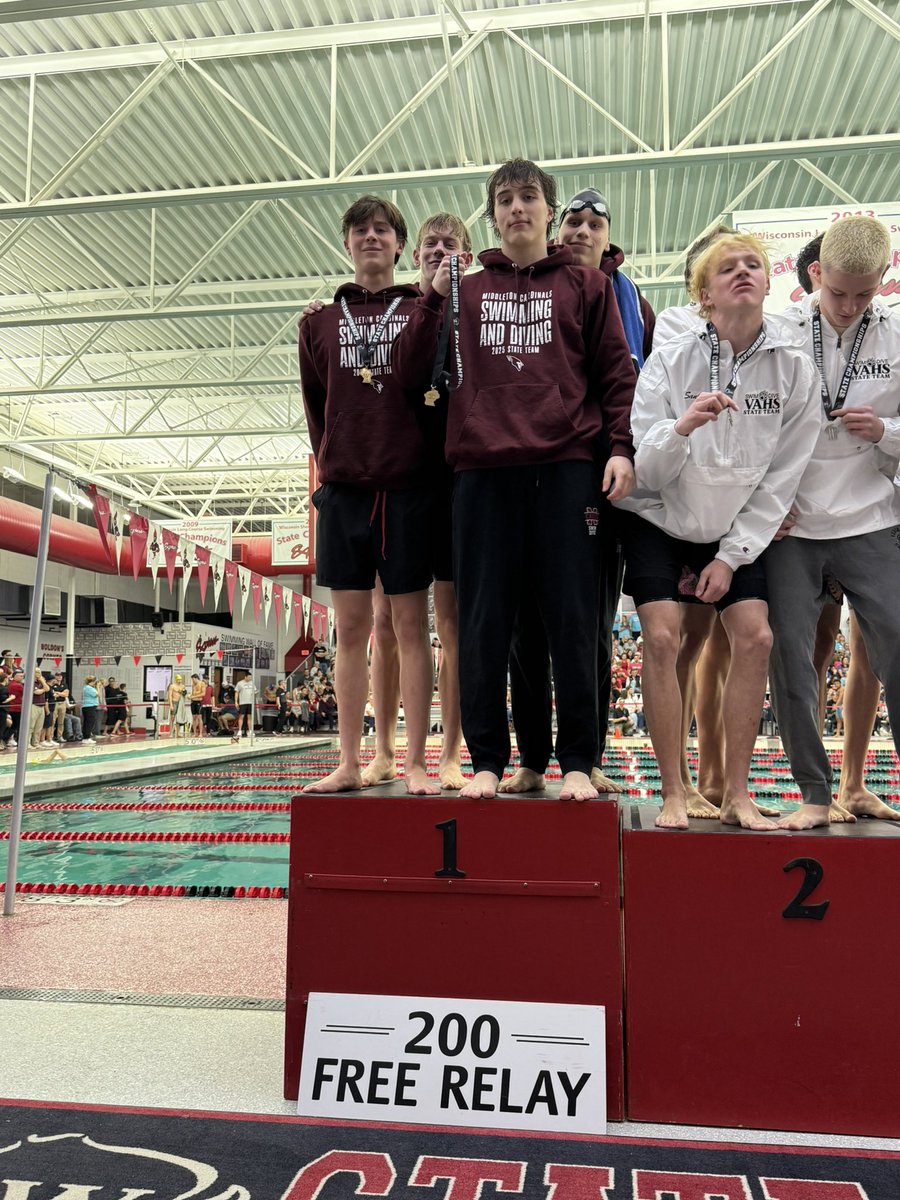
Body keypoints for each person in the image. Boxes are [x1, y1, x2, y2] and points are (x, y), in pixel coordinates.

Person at [393, 158, 637, 800]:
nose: (517, 208)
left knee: (571, 620)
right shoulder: (466, 291)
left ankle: (578, 759)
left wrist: (620, 447)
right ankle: (493, 762)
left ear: (547, 211)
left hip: (565, 469)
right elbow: (418, 373)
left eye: (528, 196)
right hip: (484, 472)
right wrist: (429, 299)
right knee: (487, 623)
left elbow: (615, 374)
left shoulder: (586, 286)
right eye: (505, 199)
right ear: (493, 214)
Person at [616, 231, 821, 829]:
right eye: (727, 268)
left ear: (766, 282)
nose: (744, 272)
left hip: (732, 524)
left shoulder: (794, 369)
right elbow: (646, 469)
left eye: (753, 264)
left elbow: (781, 480)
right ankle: (675, 794)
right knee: (661, 639)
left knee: (755, 637)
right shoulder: (670, 360)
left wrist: (731, 556)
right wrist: (682, 429)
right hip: (661, 516)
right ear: (704, 296)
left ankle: (736, 794)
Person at [503, 185, 653, 796]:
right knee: (524, 627)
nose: (583, 232)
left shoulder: (628, 300)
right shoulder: (529, 290)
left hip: (604, 477)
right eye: (575, 221)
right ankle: (534, 756)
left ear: (607, 237)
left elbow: (637, 385)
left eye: (596, 224)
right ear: (557, 230)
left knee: (587, 624)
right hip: (541, 476)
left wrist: (622, 451)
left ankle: (584, 755)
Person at [299, 194, 440, 796]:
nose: (371, 237)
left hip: (406, 487)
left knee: (410, 627)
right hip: (345, 491)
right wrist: (334, 462)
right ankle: (350, 762)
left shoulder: (419, 313)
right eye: (360, 230)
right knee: (350, 630)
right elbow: (315, 406)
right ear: (347, 244)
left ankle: (412, 761)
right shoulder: (318, 323)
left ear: (400, 244)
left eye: (383, 229)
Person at [766, 215, 900, 828]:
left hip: (871, 516)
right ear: (815, 273)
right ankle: (815, 795)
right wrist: (767, 499)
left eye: (863, 294)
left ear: (883, 280)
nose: (848, 306)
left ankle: (857, 782)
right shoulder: (778, 332)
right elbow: (754, 427)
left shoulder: (896, 335)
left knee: (894, 644)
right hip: (793, 524)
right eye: (837, 291)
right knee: (790, 656)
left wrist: (888, 432)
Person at [29, 668, 51, 748]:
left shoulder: (40, 682)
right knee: (31, 726)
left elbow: (47, 689)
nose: (39, 674)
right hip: (33, 705)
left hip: (41, 706)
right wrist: (43, 690)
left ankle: (36, 742)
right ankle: (27, 743)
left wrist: (42, 681)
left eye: (40, 672)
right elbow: (36, 692)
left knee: (39, 727)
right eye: (37, 672)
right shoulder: (30, 682)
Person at [49, 672, 69, 743]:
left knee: (61, 721)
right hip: (55, 703)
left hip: (62, 703)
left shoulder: (64, 684)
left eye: (60, 676)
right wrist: (61, 693)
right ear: (55, 677)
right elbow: (53, 694)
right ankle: (50, 736)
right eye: (57, 675)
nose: (59, 677)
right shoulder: (53, 684)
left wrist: (58, 693)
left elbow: (66, 694)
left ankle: (59, 736)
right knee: (53, 721)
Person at [234, 673, 255, 740]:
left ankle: (250, 731)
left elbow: (254, 691)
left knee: (249, 717)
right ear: (245, 677)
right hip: (243, 702)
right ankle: (240, 731)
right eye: (248, 677)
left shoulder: (252, 683)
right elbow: (236, 692)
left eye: (250, 677)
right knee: (241, 716)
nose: (250, 679)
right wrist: (236, 702)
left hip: (250, 702)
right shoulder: (240, 683)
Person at [81, 675, 99, 743]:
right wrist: (98, 687)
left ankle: (86, 737)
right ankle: (86, 737)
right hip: (89, 707)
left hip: (89, 707)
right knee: (89, 722)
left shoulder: (88, 687)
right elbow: (96, 694)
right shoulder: (88, 688)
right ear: (92, 681)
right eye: (95, 681)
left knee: (88, 722)